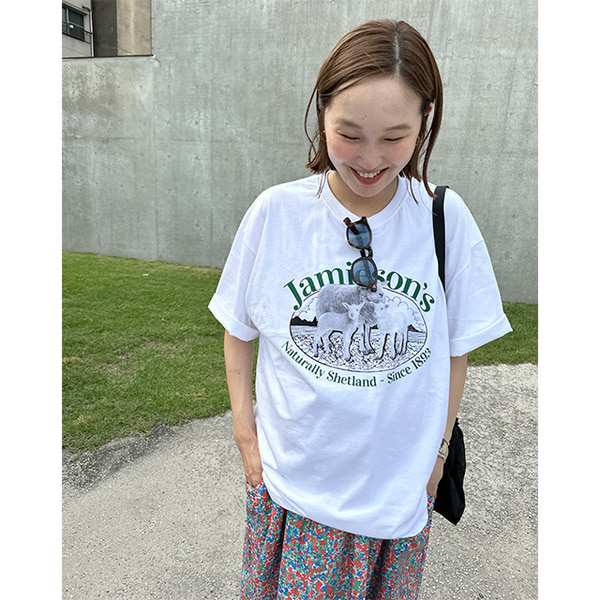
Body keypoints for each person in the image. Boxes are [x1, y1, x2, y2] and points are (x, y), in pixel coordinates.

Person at [208, 19, 512, 599]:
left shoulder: (444, 220)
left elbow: (455, 352)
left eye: (395, 137)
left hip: (395, 503)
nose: (370, 159)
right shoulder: (276, 214)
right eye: (349, 134)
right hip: (294, 495)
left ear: (425, 120)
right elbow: (238, 328)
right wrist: (246, 437)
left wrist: (438, 457)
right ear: (321, 113)